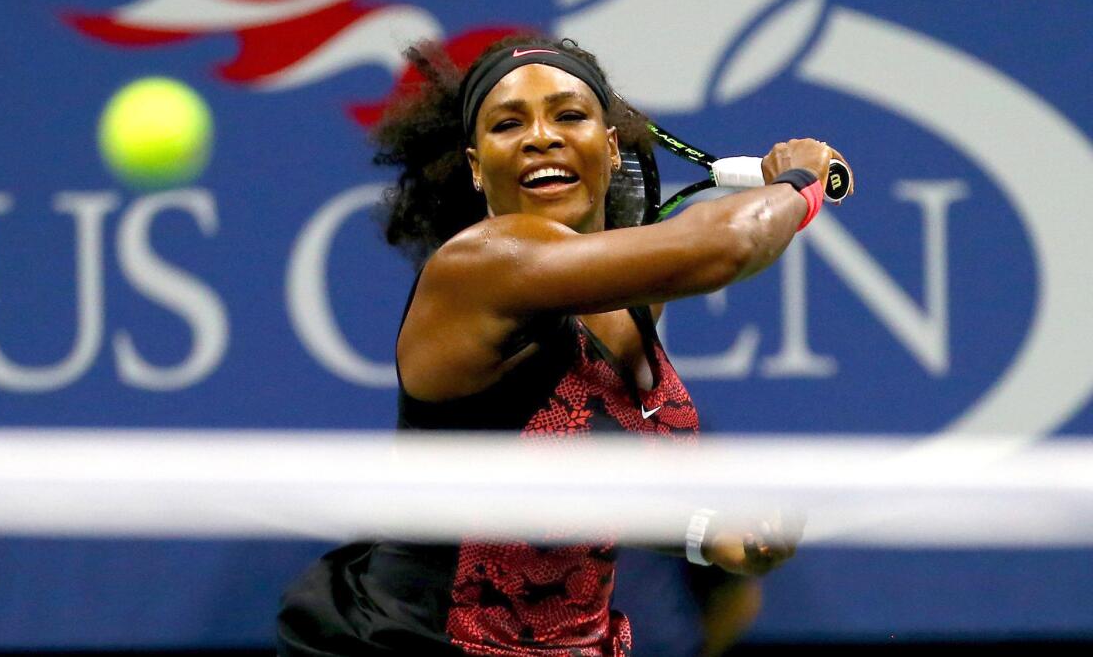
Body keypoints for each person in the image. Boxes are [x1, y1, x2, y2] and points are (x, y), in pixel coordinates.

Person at [278, 34, 849, 657]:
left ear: (610, 147)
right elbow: (729, 245)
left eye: (568, 115)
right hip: (410, 645)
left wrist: (703, 533)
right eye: (507, 123)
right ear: (475, 165)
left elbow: (555, 494)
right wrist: (799, 182)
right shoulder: (482, 265)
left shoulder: (632, 304)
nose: (540, 136)